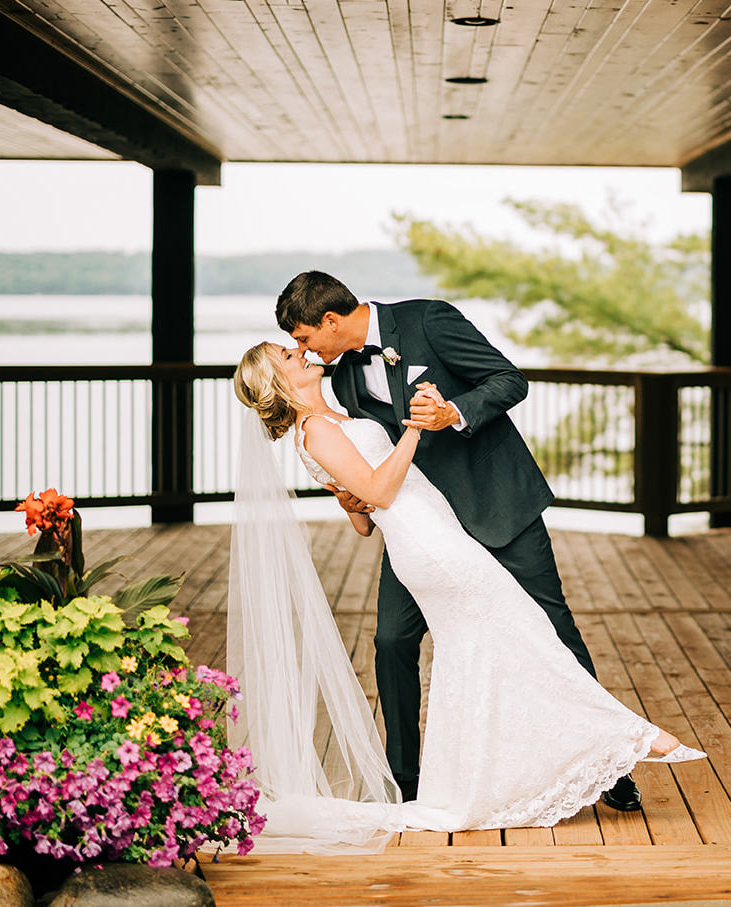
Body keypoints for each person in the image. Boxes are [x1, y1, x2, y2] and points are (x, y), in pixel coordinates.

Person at [229, 339, 705, 844]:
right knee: (524, 634)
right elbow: (384, 492)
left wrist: (356, 497)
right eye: (286, 355)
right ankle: (628, 736)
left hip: (437, 539)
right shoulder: (317, 431)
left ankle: (477, 778)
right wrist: (413, 426)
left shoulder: (331, 422)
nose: (298, 352)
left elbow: (363, 519)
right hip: (431, 550)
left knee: (480, 654)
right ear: (279, 381)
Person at [274, 271, 644, 811]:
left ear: (331, 321)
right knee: (392, 643)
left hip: (497, 506)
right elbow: (370, 454)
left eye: (304, 337)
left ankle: (609, 767)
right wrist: (359, 501)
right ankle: (404, 780)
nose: (301, 349)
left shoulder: (428, 319)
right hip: (425, 530)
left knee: (551, 624)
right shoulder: (342, 380)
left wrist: (454, 412)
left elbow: (508, 379)